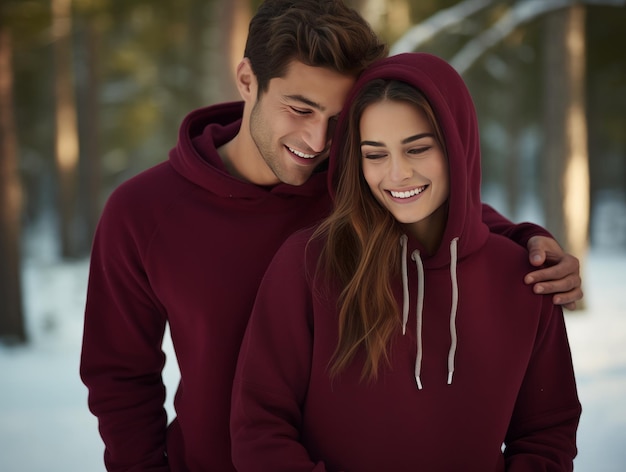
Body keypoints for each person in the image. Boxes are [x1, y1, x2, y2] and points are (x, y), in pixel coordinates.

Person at [80, 1, 582, 471]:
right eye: (300, 109)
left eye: (338, 120)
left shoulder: (355, 186)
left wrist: (527, 240)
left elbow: (442, 211)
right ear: (246, 80)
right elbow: (120, 380)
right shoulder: (142, 212)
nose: (317, 142)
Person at [230, 52, 582, 471]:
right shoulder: (311, 264)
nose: (397, 174)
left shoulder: (526, 278)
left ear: (458, 145)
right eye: (375, 154)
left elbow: (547, 433)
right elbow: (259, 426)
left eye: (417, 148)